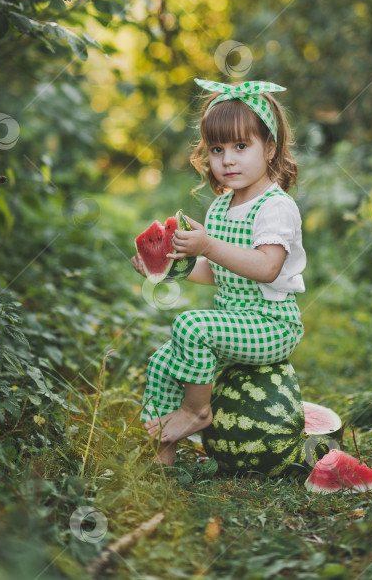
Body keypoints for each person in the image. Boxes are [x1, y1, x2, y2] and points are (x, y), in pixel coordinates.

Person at [131, 78, 306, 466]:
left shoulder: (274, 207)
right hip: (233, 323)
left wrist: (208, 244)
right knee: (163, 361)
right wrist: (166, 270)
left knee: (190, 327)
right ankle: (163, 458)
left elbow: (266, 267)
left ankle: (197, 413)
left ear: (270, 148)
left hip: (270, 324)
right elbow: (220, 273)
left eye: (241, 146)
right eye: (217, 149)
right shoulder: (220, 208)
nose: (228, 159)